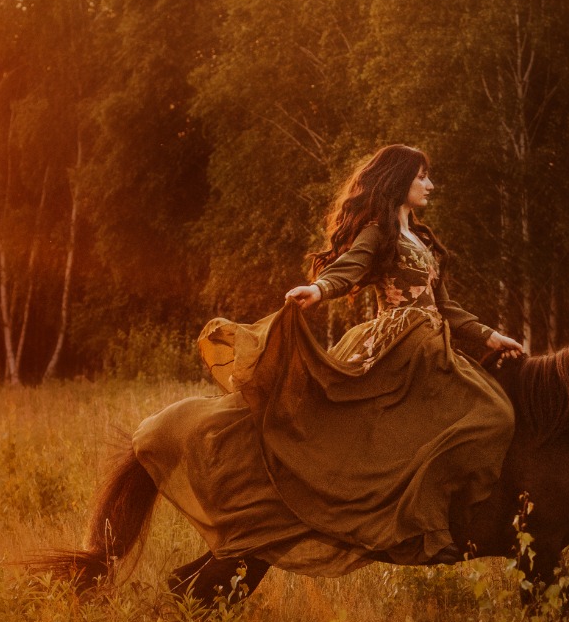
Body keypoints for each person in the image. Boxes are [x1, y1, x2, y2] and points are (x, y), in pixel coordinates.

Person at [130, 144, 523, 578]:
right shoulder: (378, 231)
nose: (430, 185)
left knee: (488, 416)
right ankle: (412, 522)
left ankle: (437, 518)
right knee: (487, 416)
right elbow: (349, 268)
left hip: (434, 347)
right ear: (398, 181)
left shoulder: (422, 240)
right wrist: (318, 290)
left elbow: (444, 305)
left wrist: (490, 335)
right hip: (398, 349)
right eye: (421, 177)